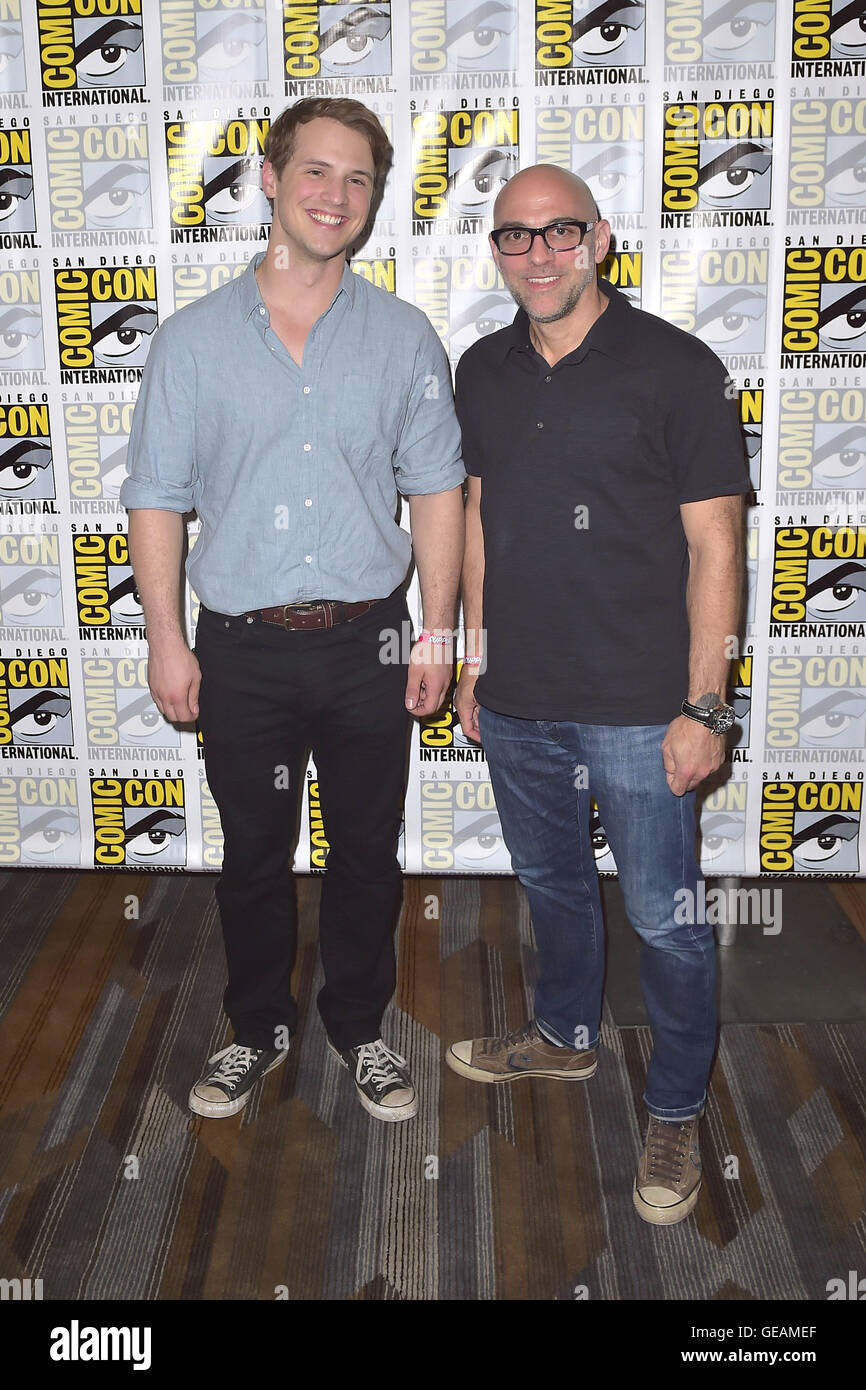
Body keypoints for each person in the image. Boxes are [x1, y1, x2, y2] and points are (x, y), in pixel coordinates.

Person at [121, 98, 465, 1124]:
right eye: (315, 172)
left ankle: (359, 1027)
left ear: (372, 200)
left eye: (357, 179)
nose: (335, 195)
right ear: (270, 180)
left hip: (371, 641)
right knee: (253, 856)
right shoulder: (189, 342)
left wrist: (440, 630)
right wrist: (165, 640)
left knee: (367, 853)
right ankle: (254, 1029)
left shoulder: (403, 337)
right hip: (241, 654)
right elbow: (156, 498)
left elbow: (438, 491)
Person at [447, 164, 748, 1225]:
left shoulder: (675, 368)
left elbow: (716, 546)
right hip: (520, 693)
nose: (536, 255)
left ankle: (675, 1107)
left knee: (665, 922)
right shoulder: (479, 371)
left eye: (557, 232)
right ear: (496, 252)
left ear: (600, 238)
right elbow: (478, 515)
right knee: (554, 888)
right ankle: (563, 1038)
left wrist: (703, 704)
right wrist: (477, 659)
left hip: (640, 703)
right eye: (514, 238)